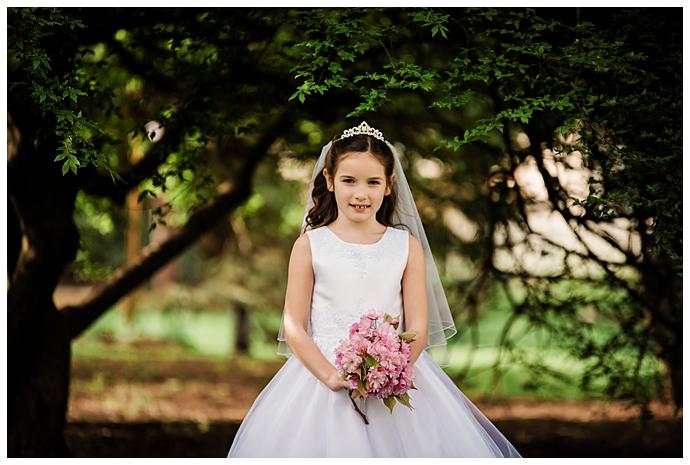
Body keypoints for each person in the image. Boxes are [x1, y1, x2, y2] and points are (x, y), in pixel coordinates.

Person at [227, 121, 522, 458]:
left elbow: (418, 328)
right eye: (349, 181)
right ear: (329, 180)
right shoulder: (311, 245)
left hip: (395, 381)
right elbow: (294, 326)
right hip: (323, 378)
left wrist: (390, 371)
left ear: (388, 185)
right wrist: (332, 377)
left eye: (373, 182)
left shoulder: (405, 246)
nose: (360, 193)